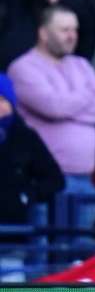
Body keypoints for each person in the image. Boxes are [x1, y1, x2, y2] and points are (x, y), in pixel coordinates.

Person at [7, 6, 95, 233]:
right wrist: (87, 94)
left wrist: (68, 104)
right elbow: (53, 107)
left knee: (81, 252)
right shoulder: (23, 67)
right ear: (44, 33)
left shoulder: (82, 65)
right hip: (50, 181)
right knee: (49, 255)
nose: (72, 36)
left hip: (86, 178)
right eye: (64, 30)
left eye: (74, 30)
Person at [0, 74, 64, 225]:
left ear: (11, 104)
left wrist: (25, 196)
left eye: (2, 100)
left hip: (15, 233)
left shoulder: (25, 137)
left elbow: (55, 180)